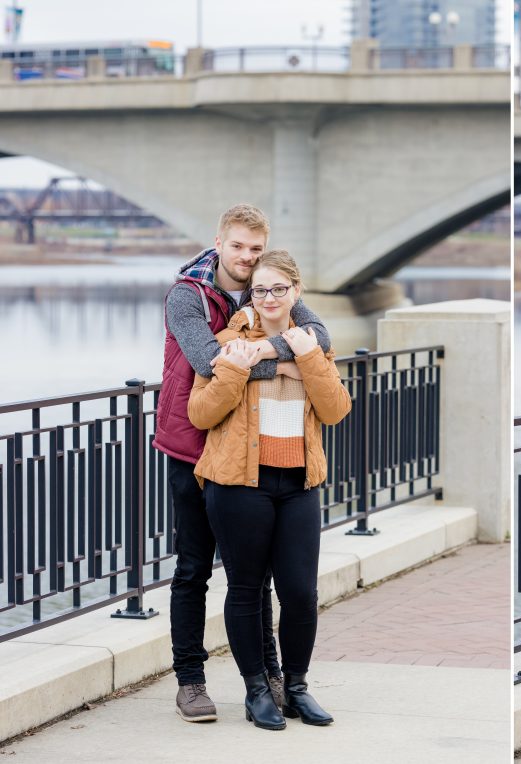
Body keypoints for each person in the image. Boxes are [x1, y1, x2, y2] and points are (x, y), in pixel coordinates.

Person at [153, 204, 331, 722]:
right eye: (238, 247)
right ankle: (191, 681)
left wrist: (258, 351)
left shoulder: (269, 290)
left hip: (245, 453)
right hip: (191, 445)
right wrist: (284, 357)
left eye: (256, 249)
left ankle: (272, 679)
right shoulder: (186, 295)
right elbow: (210, 356)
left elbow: (318, 335)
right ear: (219, 243)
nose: (248, 258)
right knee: (192, 570)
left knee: (252, 573)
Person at [188, 249, 352, 731]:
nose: (270, 298)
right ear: (251, 295)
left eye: (279, 289)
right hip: (239, 482)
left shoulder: (313, 343)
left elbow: (336, 408)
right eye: (260, 290)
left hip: (298, 482)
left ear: (295, 293)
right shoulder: (227, 343)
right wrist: (239, 369)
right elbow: (201, 413)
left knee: (300, 593)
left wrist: (302, 358)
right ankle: (257, 690)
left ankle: (296, 687)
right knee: (244, 589)